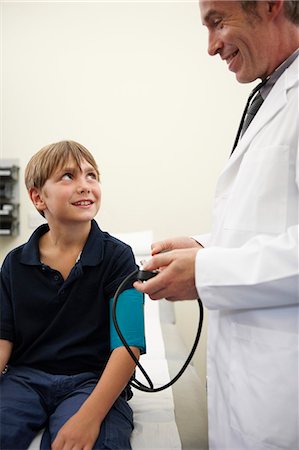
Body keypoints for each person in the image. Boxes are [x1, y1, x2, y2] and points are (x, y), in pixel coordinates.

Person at [134, 1, 299, 449]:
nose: (210, 47)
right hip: (252, 381)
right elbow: (269, 226)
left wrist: (206, 272)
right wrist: (204, 247)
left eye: (217, 22)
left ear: (270, 5)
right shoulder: (273, 93)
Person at [0, 140, 145, 450]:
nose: (85, 185)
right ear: (38, 197)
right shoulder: (14, 264)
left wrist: (90, 417)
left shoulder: (118, 257)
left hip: (92, 381)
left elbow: (128, 345)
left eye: (91, 175)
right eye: (68, 176)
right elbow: (3, 339)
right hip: (24, 379)